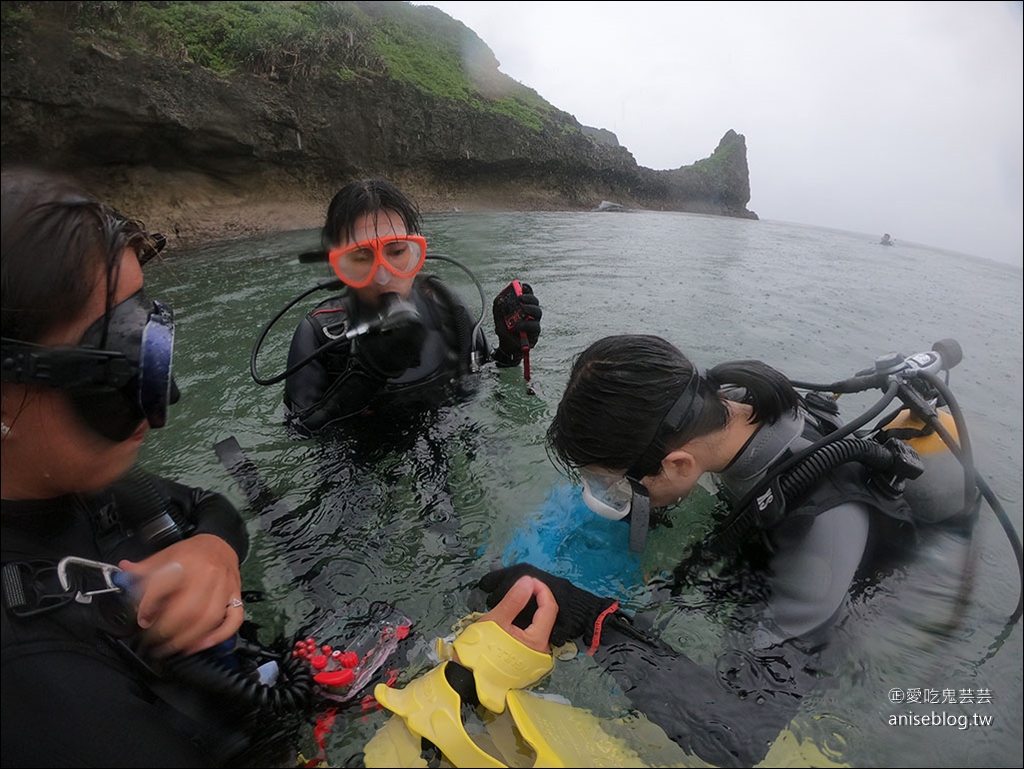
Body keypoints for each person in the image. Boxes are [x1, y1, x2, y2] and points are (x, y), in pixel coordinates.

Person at [471, 333, 981, 767]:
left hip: (876, 601)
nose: (616, 501)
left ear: (678, 467)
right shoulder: (730, 402)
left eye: (616, 489)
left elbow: (736, 735)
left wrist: (589, 620)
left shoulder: (819, 531)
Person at [0, 168, 287, 767]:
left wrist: (212, 550)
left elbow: (209, 507)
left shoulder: (72, 483)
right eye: (122, 359)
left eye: (151, 337)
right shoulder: (42, 699)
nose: (169, 392)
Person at [276, 178, 542, 435]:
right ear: (338, 266)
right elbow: (301, 432)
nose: (383, 275)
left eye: (397, 252)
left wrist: (510, 351)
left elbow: (485, 376)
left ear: (416, 253)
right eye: (361, 257)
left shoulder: (450, 310)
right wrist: (368, 377)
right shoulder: (321, 334)